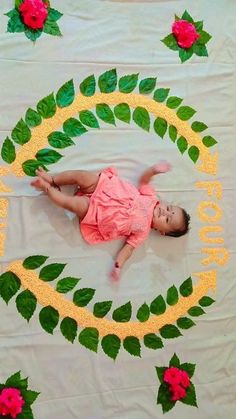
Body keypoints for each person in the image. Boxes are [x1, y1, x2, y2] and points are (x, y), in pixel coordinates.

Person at [31, 162, 190, 281]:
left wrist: (118, 265)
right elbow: (144, 181)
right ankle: (53, 180)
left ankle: (47, 189)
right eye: (169, 208)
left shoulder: (142, 233)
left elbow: (128, 250)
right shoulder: (151, 197)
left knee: (72, 204)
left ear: (161, 231)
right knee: (81, 175)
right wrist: (154, 171)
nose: (164, 211)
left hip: (98, 212)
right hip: (102, 187)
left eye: (167, 219)